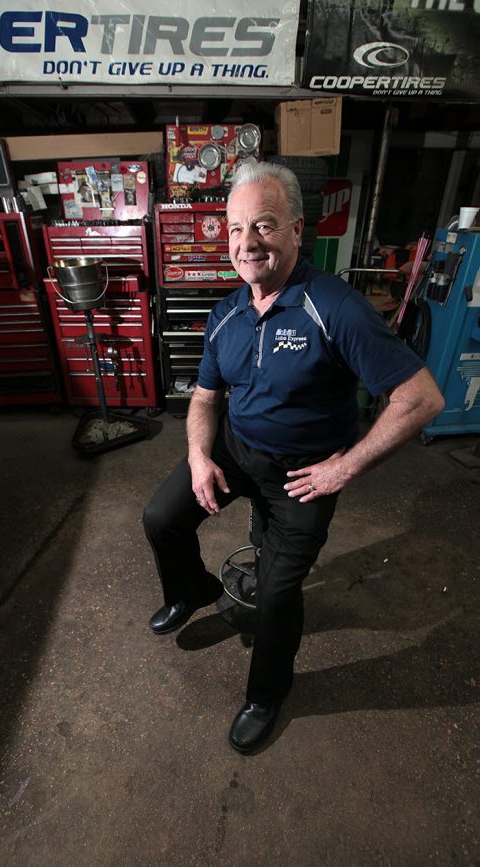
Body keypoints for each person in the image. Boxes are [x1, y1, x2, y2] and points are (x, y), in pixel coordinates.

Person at [143, 161, 444, 754]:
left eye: (265, 225)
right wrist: (201, 459)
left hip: (303, 475)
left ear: (297, 231)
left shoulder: (334, 307)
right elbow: (205, 397)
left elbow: (421, 398)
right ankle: (191, 591)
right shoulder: (226, 312)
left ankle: (266, 695)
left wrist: (344, 467)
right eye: (234, 229)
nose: (247, 243)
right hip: (236, 449)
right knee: (161, 519)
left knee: (278, 594)